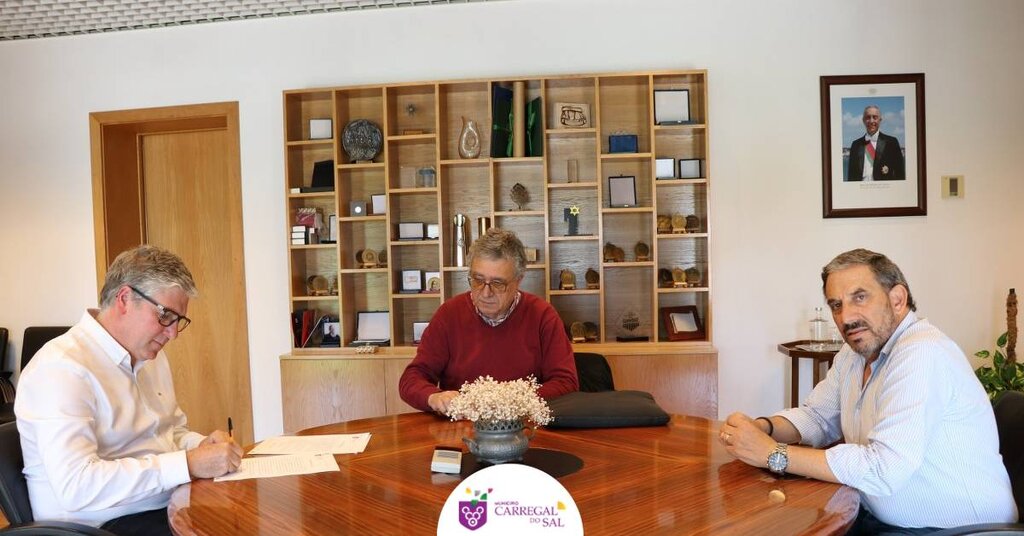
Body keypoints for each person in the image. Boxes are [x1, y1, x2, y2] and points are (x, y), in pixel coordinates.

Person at [719, 248, 1016, 533]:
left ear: (897, 299)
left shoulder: (922, 352)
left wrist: (773, 454)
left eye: (859, 297)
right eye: (836, 305)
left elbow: (882, 469)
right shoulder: (854, 354)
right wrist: (762, 429)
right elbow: (818, 416)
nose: (846, 317)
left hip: (956, 530)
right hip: (875, 516)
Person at [15, 245, 242, 535]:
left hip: (163, 505)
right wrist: (187, 464)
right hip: (98, 526)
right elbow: (77, 486)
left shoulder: (152, 359)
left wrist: (202, 446)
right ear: (124, 299)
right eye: (165, 316)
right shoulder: (61, 368)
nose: (173, 333)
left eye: (178, 321)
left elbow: (169, 434)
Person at [399, 228, 578, 413]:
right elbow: (412, 378)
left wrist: (513, 398)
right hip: (461, 425)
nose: (485, 293)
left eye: (498, 283)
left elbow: (566, 382)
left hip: (523, 424)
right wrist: (433, 397)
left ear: (518, 280)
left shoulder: (542, 316)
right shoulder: (449, 314)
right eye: (478, 280)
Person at [846, 105, 905, 181]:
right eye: (868, 117)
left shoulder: (891, 143)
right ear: (863, 120)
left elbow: (900, 175)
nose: (871, 121)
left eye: (875, 117)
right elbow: (851, 176)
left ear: (880, 120)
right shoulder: (855, 145)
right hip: (861, 188)